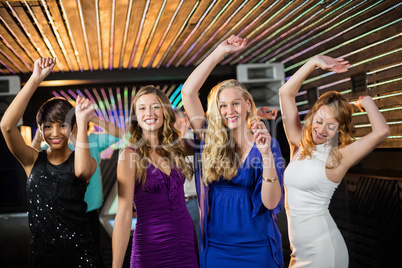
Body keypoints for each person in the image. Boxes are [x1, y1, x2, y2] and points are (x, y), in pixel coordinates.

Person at [182, 35, 285, 268]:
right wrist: (219, 51)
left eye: (236, 103)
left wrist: (267, 154)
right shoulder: (209, 138)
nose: (230, 110)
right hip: (217, 246)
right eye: (223, 105)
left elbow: (270, 203)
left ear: (248, 104)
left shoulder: (267, 144)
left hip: (258, 246)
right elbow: (188, 92)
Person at [278, 55, 390, 267]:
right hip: (299, 250)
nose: (321, 130)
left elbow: (382, 131)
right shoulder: (299, 144)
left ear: (340, 129)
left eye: (331, 126)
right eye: (319, 121)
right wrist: (314, 61)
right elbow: (285, 93)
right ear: (311, 117)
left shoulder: (339, 157)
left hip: (323, 250)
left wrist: (367, 103)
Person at [0, 57, 103, 267]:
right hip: (42, 259)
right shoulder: (32, 160)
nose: (55, 133)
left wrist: (81, 121)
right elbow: (7, 126)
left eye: (62, 126)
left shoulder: (83, 161)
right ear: (40, 128)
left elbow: (82, 172)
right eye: (48, 126)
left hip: (81, 258)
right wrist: (34, 79)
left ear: (71, 128)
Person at [112, 86, 198, 268]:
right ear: (136, 115)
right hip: (151, 247)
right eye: (142, 108)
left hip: (185, 242)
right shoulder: (129, 155)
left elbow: (214, 139)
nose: (149, 113)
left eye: (155, 106)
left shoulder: (175, 148)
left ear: (165, 111)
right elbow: (124, 214)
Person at [32, 111, 123, 257]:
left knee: (93, 252)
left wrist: (92, 117)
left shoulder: (92, 140)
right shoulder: (58, 145)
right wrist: (39, 134)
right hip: (63, 212)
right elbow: (33, 156)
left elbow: (118, 133)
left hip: (90, 210)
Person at [174, 109, 200, 245]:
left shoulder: (193, 141)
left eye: (172, 119)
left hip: (194, 203)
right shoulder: (172, 145)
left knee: (197, 247)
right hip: (178, 204)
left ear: (182, 120)